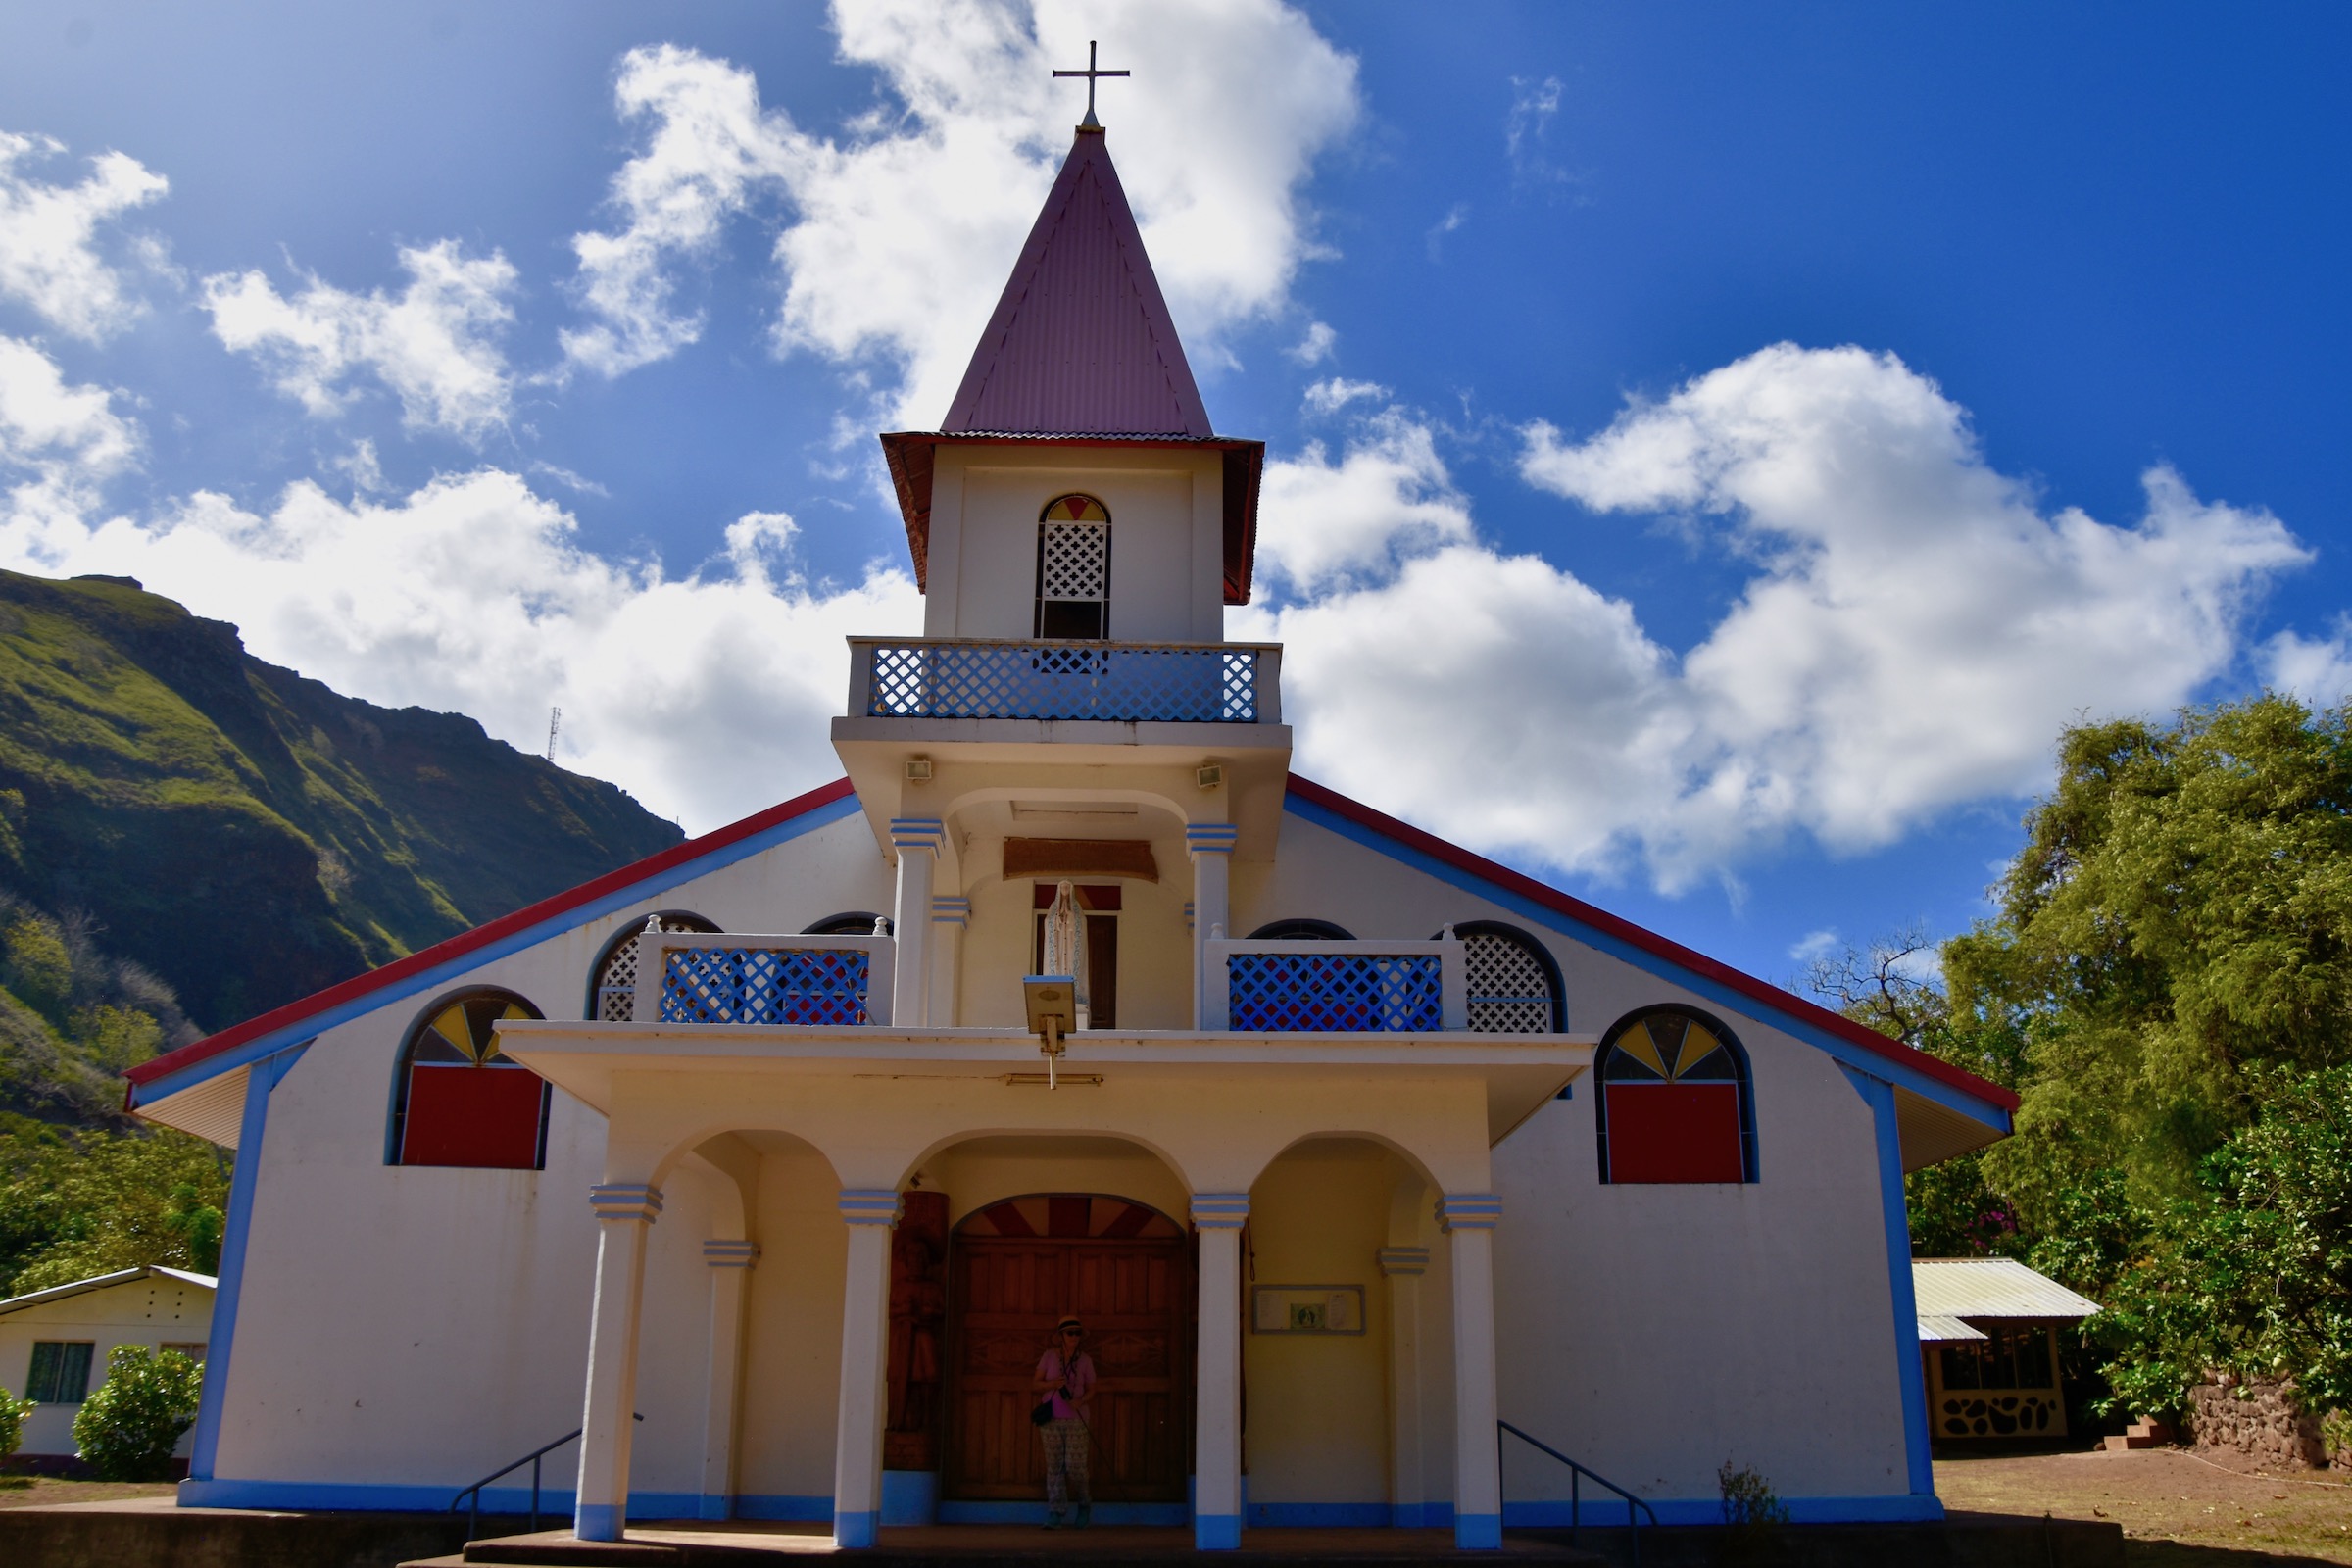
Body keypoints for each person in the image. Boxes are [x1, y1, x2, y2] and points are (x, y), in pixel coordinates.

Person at [1031, 1314, 1096, 1529]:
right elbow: (1036, 1384)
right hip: (1051, 1419)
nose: (1074, 1337)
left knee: (1076, 1466)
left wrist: (1081, 1400)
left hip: (1077, 1419)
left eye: (1077, 1333)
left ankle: (1084, 1505)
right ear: (1061, 1336)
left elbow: (1093, 1388)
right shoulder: (1049, 1356)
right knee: (1055, 1466)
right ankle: (1056, 1512)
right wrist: (1051, 1384)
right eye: (1070, 1333)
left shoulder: (1085, 1360)